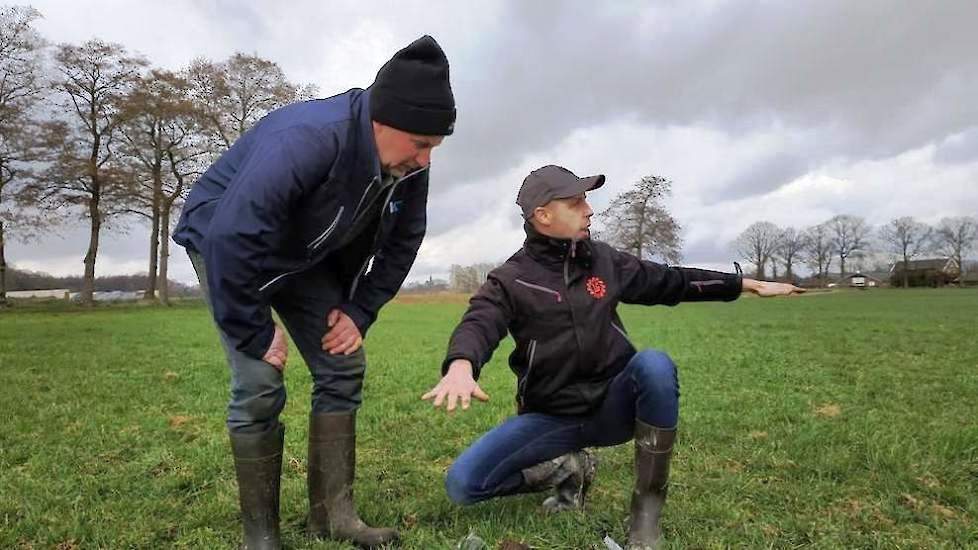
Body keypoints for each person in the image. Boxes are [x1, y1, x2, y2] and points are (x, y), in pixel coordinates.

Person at [422, 165, 804, 549]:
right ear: (543, 215)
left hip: (613, 408)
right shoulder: (511, 279)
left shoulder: (605, 261)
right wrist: (461, 365)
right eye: (576, 202)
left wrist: (745, 284)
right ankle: (567, 467)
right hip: (551, 416)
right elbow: (480, 322)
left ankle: (645, 515)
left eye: (586, 199)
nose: (589, 210)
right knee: (464, 484)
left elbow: (671, 281)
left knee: (653, 364)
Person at [172, 35, 455, 549]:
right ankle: (261, 537)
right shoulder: (308, 138)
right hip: (227, 243)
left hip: (302, 254)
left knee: (342, 363)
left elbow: (404, 241)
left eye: (434, 147)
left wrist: (358, 310)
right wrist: (256, 331)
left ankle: (334, 516)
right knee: (259, 381)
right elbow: (233, 236)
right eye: (421, 145)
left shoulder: (408, 165)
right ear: (382, 122)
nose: (426, 160)